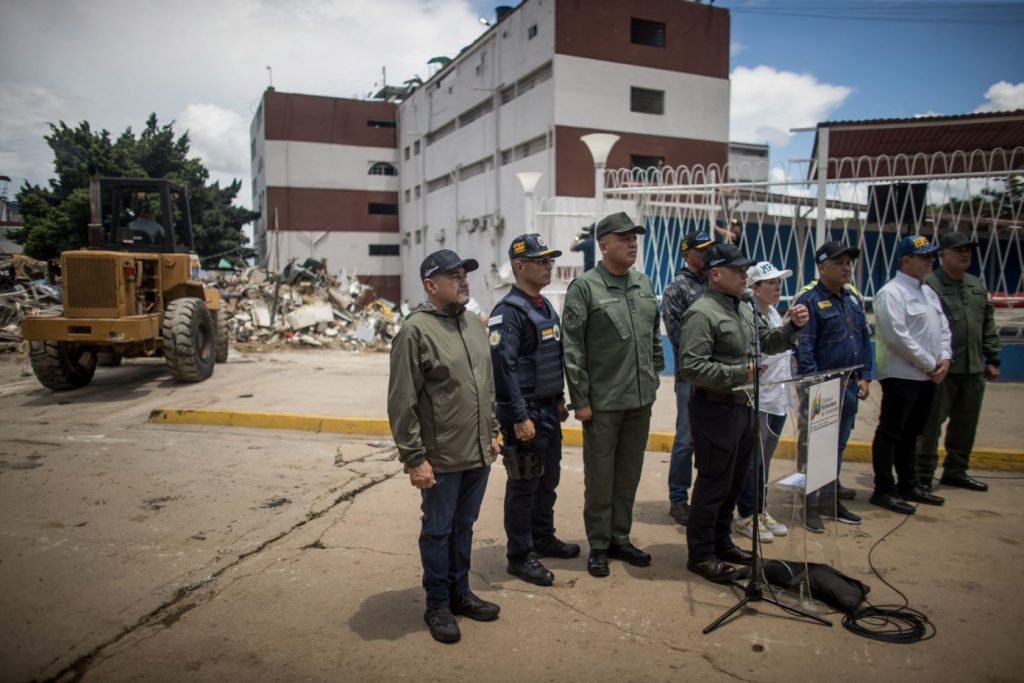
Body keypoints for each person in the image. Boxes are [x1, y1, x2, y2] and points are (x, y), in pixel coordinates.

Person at [387, 249, 502, 644]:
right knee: (437, 531)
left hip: (478, 453)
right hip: (441, 457)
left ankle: (460, 593)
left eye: (464, 275)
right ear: (430, 285)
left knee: (464, 527)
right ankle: (436, 603)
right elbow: (402, 401)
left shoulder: (474, 325)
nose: (463, 281)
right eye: (453, 276)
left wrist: (493, 429)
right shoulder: (414, 331)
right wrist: (414, 459)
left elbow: (484, 387)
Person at [678, 243, 809, 584]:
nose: (744, 277)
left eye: (745, 272)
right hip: (715, 408)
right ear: (716, 274)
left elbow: (768, 342)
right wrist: (740, 374)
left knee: (734, 483)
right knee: (713, 483)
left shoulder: (744, 308)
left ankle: (721, 542)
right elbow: (691, 367)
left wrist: (792, 328)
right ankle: (701, 554)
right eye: (738, 272)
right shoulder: (702, 313)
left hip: (744, 408)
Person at [562, 211, 664, 578]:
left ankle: (621, 537)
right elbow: (572, 349)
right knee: (601, 477)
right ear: (603, 246)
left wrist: (653, 378)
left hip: (639, 399)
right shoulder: (585, 288)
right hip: (603, 403)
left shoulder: (644, 283)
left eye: (634, 237)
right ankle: (600, 545)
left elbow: (654, 335)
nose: (632, 243)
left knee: (629, 474)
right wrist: (582, 400)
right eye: (623, 238)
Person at [489, 234, 580, 588]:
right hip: (524, 413)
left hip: (546, 411)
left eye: (549, 260)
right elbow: (504, 369)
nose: (548, 265)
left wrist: (557, 399)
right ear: (520, 267)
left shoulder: (543, 306)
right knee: (524, 486)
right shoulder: (508, 313)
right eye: (541, 260)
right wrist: (519, 417)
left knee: (547, 482)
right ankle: (520, 555)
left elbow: (548, 358)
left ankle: (543, 537)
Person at [793, 241, 873, 532]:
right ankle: (810, 504)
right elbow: (804, 349)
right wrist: (815, 386)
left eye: (848, 263)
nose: (846, 268)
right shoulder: (810, 300)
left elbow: (863, 339)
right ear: (822, 267)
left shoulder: (850, 299)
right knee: (816, 449)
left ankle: (830, 499)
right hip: (823, 388)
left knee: (836, 447)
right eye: (839, 263)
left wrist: (865, 375)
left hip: (850, 386)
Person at [870, 235, 951, 515]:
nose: (931, 260)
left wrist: (945, 358)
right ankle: (884, 489)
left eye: (932, 256)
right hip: (901, 376)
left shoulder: (927, 292)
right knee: (890, 433)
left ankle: (909, 483)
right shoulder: (891, 293)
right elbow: (897, 337)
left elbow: (943, 329)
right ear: (906, 260)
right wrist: (930, 363)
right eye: (924, 256)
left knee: (912, 433)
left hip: (928, 376)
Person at [916, 232, 1001, 492]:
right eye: (958, 250)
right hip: (941, 369)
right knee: (930, 425)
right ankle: (922, 474)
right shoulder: (929, 286)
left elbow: (987, 324)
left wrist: (992, 357)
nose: (965, 254)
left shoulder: (976, 285)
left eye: (968, 250)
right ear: (942, 255)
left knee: (966, 424)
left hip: (973, 367)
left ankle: (956, 470)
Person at [732, 261, 793, 544]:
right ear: (754, 288)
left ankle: (760, 510)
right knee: (752, 462)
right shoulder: (748, 315)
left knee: (764, 462)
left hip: (778, 399)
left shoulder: (774, 314)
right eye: (771, 283)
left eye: (779, 282)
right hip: (760, 400)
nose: (777, 287)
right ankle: (746, 514)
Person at [661, 229, 714, 526]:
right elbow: (678, 336)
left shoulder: (714, 282)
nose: (706, 254)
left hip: (718, 376)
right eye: (701, 249)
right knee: (686, 438)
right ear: (687, 253)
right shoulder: (677, 289)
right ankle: (678, 499)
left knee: (712, 438)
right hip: (691, 377)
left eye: (709, 249)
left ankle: (706, 496)